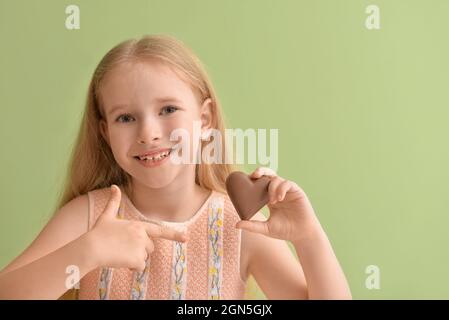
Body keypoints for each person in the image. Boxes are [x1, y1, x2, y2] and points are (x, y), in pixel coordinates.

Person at [0, 35, 351, 300]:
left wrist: (309, 239)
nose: (149, 133)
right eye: (126, 117)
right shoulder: (90, 217)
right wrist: (87, 250)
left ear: (205, 119)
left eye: (168, 110)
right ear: (105, 132)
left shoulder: (239, 224)